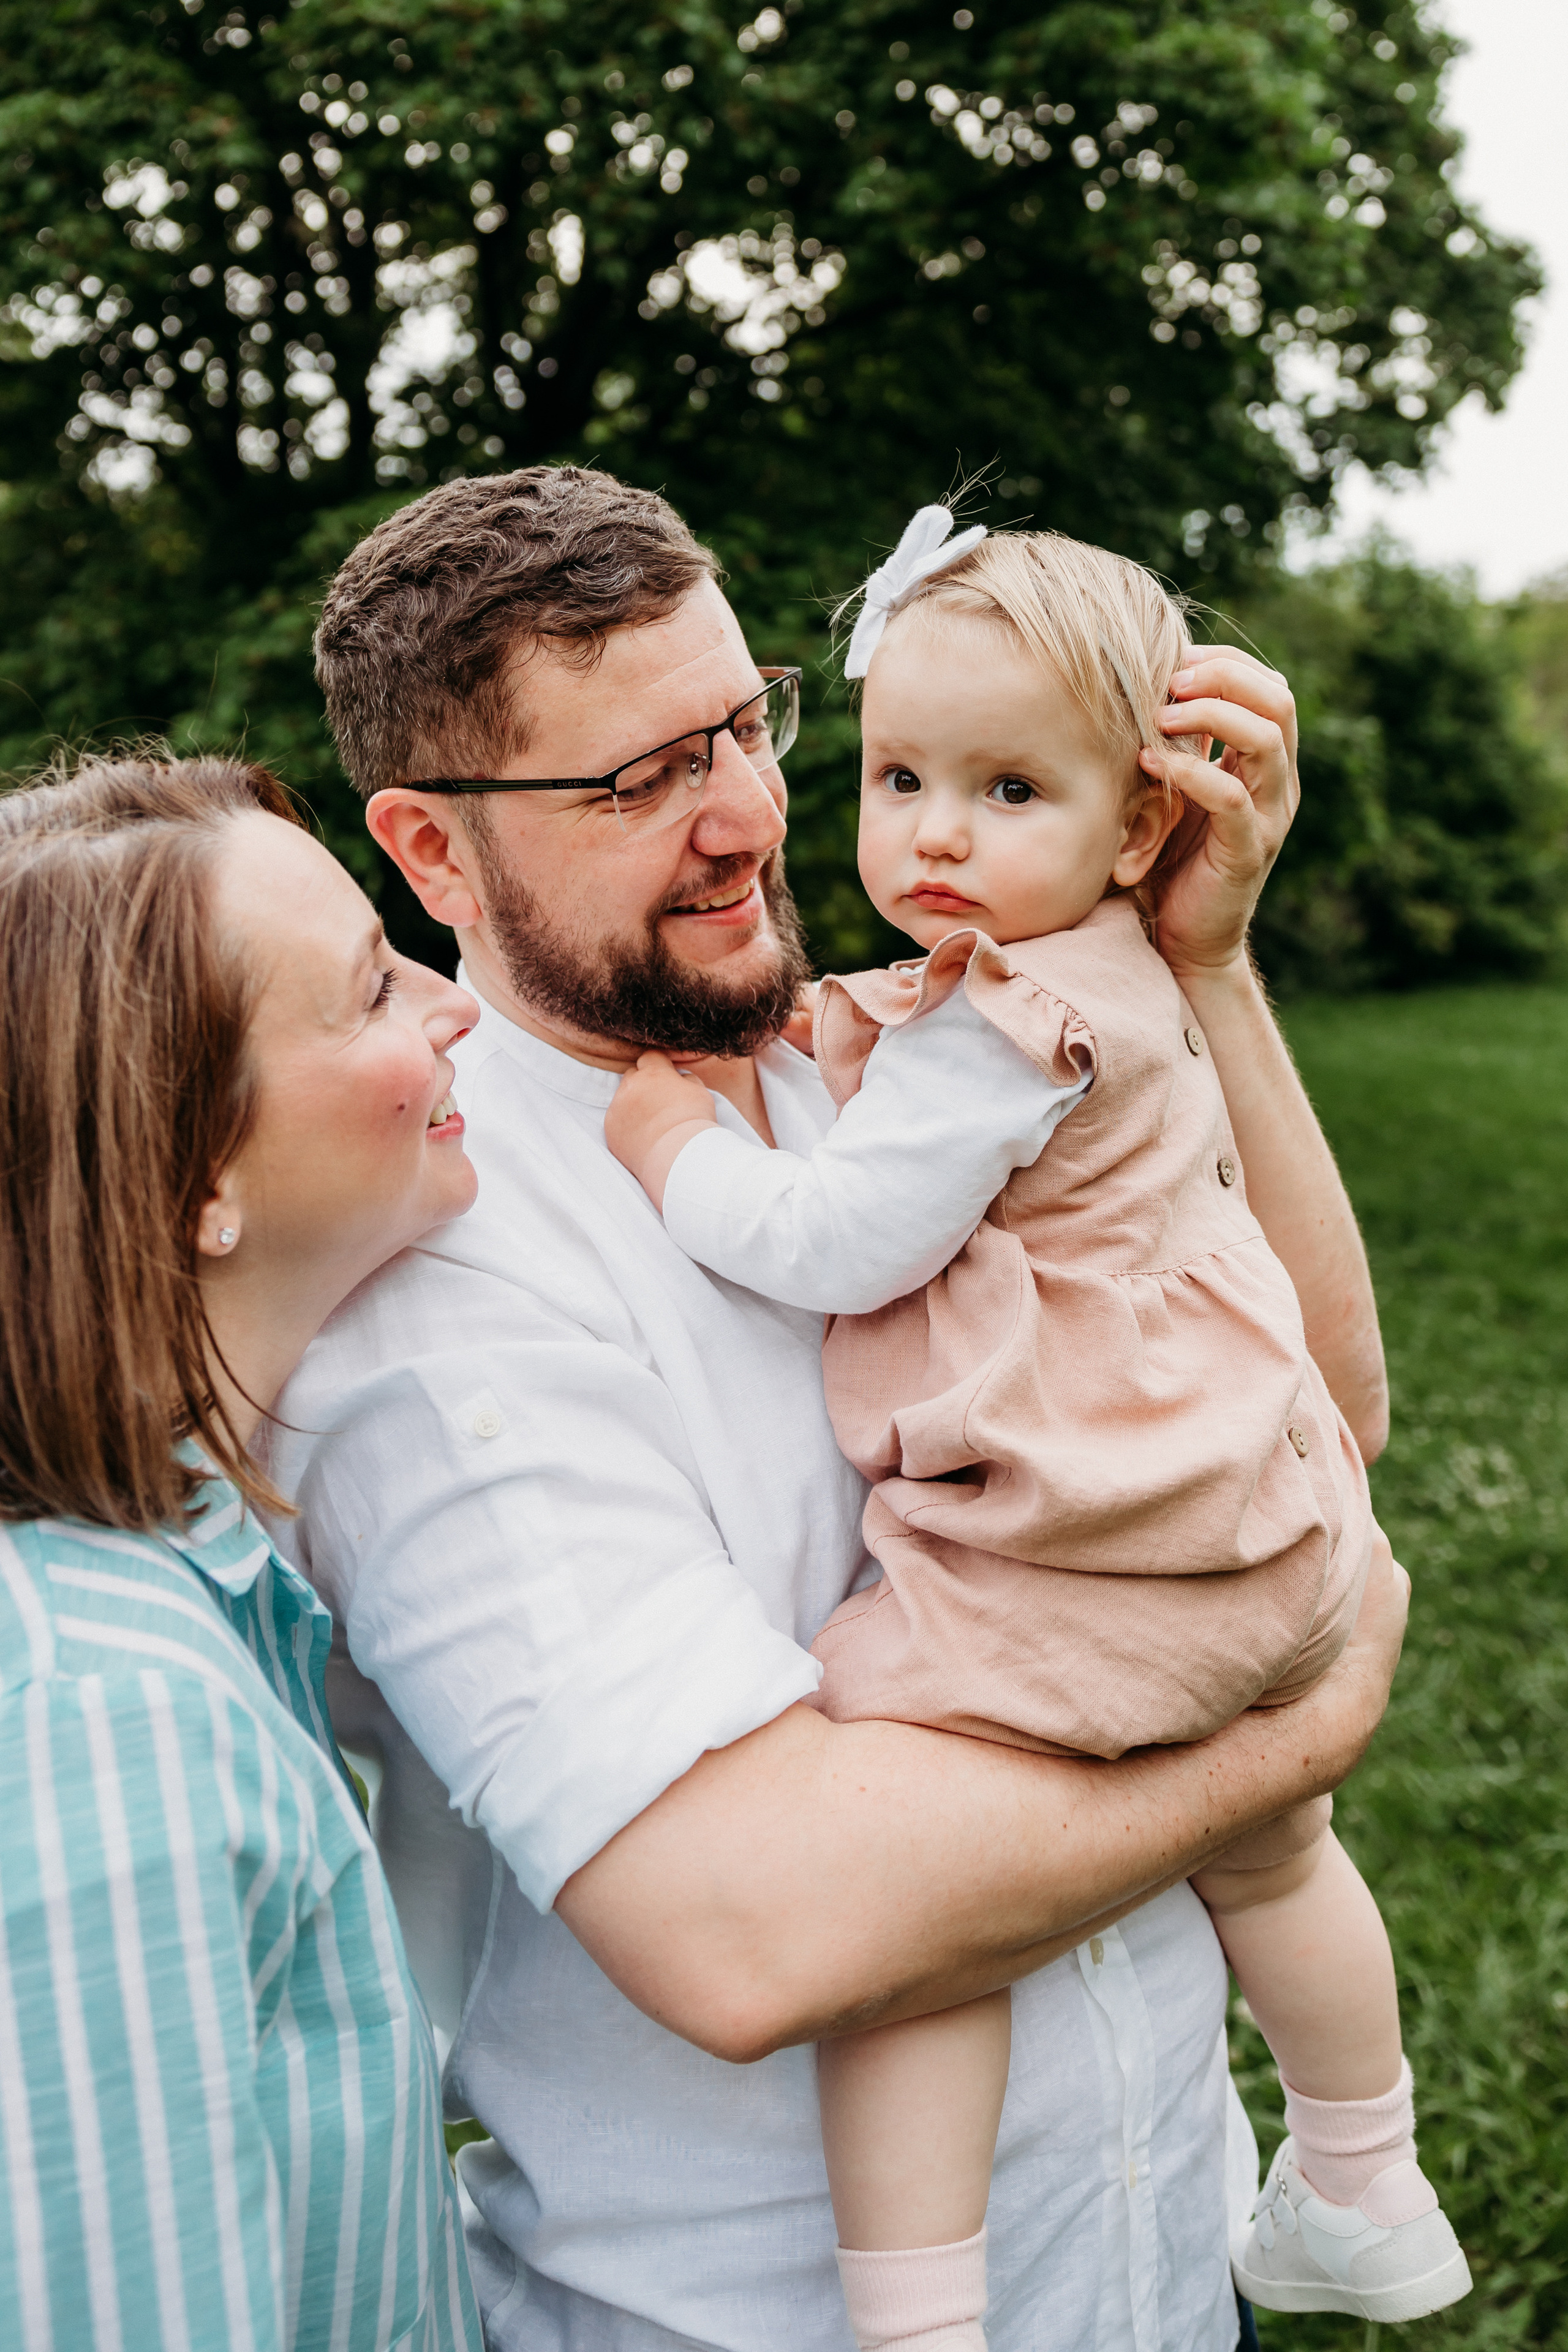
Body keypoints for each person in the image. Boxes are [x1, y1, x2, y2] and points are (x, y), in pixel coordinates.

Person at [265, 464, 1409, 2352]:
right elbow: (755, 1929)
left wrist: (1197, 970)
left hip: (1157, 2270)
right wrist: (1292, 1726)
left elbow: (1323, 1421)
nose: (744, 818)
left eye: (747, 722)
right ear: (435, 852)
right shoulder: (434, 1292)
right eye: (639, 779)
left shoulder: (899, 1047)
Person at [606, 516, 1471, 2344]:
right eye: (902, 774)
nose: (933, 832)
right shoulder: (1138, 975)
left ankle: (924, 2323)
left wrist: (677, 1145)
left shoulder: (996, 1025)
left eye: (1008, 789)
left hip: (1087, 1557)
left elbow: (835, 1238)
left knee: (913, 1937)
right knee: (1281, 1855)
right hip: (1253, 1538)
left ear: (1142, 825)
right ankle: (1364, 2171)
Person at [0, 755, 484, 2351]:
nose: (450, 1004)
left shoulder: (213, 1606)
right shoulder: (98, 1719)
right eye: (368, 992)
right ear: (202, 1174)